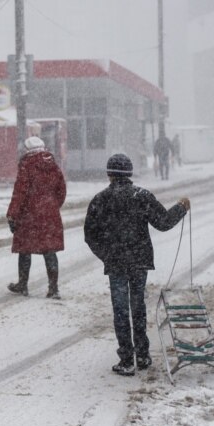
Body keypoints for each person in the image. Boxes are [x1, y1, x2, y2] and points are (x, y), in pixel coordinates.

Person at [84, 153, 190, 376]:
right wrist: (181, 207)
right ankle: (142, 354)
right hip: (139, 260)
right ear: (130, 173)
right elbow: (163, 222)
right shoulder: (141, 196)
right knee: (138, 306)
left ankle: (126, 358)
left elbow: (90, 235)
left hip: (116, 263)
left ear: (109, 174)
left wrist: (106, 255)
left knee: (121, 309)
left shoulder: (100, 199)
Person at [6, 136, 67, 299]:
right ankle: (53, 288)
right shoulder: (53, 165)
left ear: (27, 149)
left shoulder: (27, 164)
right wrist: (52, 206)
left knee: (25, 250)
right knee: (50, 250)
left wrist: (12, 214)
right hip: (50, 214)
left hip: (29, 215)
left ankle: (22, 284)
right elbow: (61, 189)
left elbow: (20, 192)